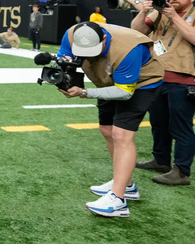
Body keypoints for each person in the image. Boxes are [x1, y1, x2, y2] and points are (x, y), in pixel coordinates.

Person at [55, 21, 164, 218]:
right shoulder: (72, 33)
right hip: (106, 79)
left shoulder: (128, 49)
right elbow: (65, 60)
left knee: (121, 134)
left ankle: (119, 199)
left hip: (140, 85)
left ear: (104, 38)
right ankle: (126, 184)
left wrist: (85, 92)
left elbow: (124, 93)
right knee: (106, 129)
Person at [131, 0, 195, 186]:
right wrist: (143, 11)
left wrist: (173, 16)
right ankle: (161, 160)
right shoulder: (159, 12)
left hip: (184, 79)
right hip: (156, 76)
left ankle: (181, 172)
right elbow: (136, 32)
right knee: (158, 124)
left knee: (181, 127)